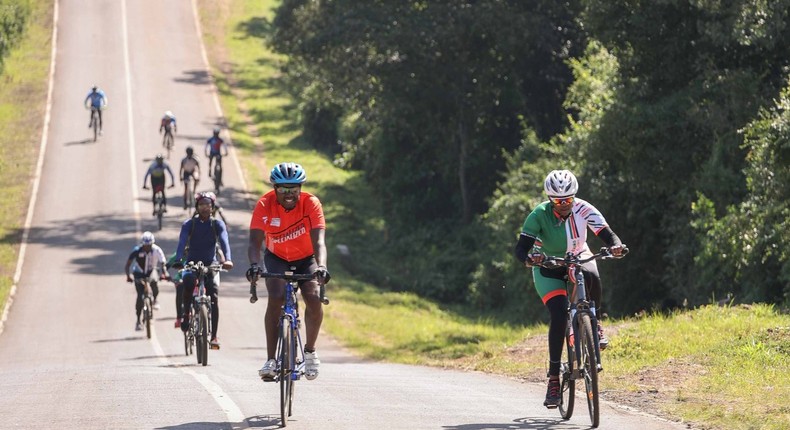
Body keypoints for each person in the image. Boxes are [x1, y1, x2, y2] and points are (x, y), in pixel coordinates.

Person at [513, 169, 625, 408]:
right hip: (549, 266)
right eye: (558, 201)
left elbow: (608, 234)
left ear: (574, 197)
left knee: (592, 272)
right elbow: (521, 248)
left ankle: (593, 321)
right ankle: (554, 379)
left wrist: (615, 246)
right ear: (550, 199)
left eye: (568, 200)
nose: (564, 205)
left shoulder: (584, 208)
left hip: (577, 256)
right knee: (559, 314)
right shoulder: (538, 215)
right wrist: (529, 259)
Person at [246, 162, 330, 381]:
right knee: (275, 297)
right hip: (277, 258)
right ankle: (271, 359)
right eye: (283, 189)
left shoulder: (311, 203)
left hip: (306, 258)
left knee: (313, 298)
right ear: (275, 188)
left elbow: (319, 241)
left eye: (293, 189)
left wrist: (321, 267)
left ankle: (310, 352)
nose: (289, 194)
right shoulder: (265, 204)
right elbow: (254, 243)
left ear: (300, 189)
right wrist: (255, 266)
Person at [174, 191, 233, 349]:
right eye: (201, 205)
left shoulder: (217, 224)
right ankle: (186, 314)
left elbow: (224, 241)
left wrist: (227, 259)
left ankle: (213, 336)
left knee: (213, 294)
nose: (205, 208)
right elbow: (181, 243)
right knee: (187, 282)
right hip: (192, 264)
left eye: (208, 205)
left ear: (212, 207)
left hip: (211, 264)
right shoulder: (189, 224)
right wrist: (179, 259)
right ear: (197, 207)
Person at [124, 231, 169, 331]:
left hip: (151, 270)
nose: (148, 247)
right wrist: (128, 276)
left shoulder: (157, 250)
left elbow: (163, 262)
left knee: (154, 283)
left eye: (149, 245)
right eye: (146, 245)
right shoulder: (136, 251)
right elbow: (128, 265)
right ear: (142, 244)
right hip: (139, 273)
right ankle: (138, 320)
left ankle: (155, 299)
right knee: (140, 297)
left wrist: (164, 273)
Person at [165, 252, 186, 328]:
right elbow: (166, 266)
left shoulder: (197, 252)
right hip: (181, 278)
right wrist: (165, 274)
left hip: (194, 277)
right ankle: (179, 318)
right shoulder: (178, 255)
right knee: (180, 291)